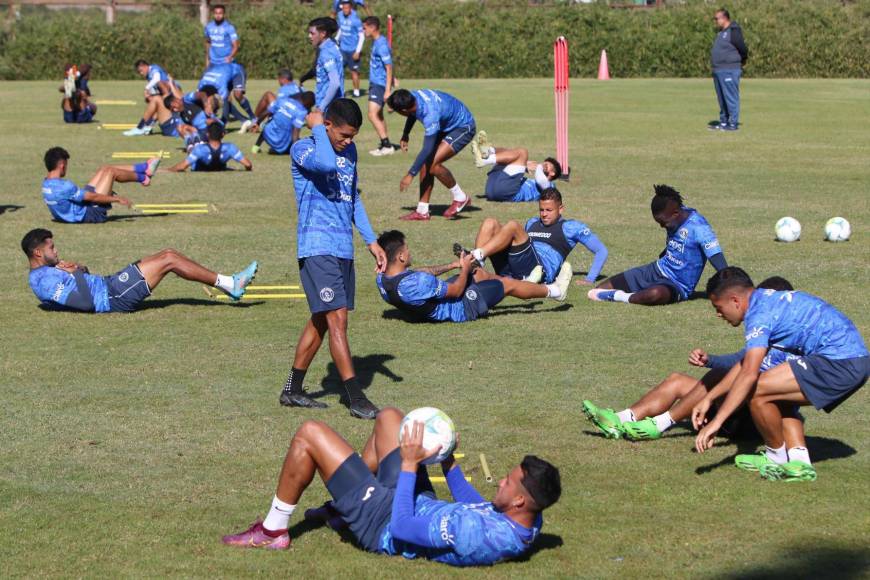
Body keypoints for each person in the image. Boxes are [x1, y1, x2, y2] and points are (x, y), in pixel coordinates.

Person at [222, 407, 561, 567]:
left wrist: (412, 465)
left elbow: (402, 528)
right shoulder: (528, 519)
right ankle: (344, 508)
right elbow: (477, 505)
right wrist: (448, 460)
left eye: (508, 481)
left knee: (310, 433)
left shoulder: (473, 536)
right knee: (390, 419)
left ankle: (272, 531)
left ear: (519, 499)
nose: (500, 481)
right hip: (418, 502)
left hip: (383, 523)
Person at [693, 267, 869, 482]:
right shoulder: (766, 300)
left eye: (718, 307)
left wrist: (716, 422)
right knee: (774, 391)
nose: (718, 314)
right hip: (850, 360)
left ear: (735, 300)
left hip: (840, 363)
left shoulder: (759, 315)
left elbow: (748, 375)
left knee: (756, 389)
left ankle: (775, 458)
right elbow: (747, 364)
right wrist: (709, 398)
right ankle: (799, 462)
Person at [583, 276, 799, 441]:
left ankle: (659, 425)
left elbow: (746, 371)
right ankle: (620, 420)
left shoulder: (793, 340)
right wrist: (710, 360)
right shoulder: (766, 330)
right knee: (677, 380)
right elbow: (740, 362)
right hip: (735, 406)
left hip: (753, 419)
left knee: (718, 376)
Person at [278, 98, 385, 419]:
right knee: (337, 318)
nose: (349, 142)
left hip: (342, 247)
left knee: (322, 321)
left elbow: (352, 197)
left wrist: (371, 240)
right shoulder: (304, 149)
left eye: (353, 136)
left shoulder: (348, 152)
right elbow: (325, 164)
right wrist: (316, 128)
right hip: (316, 245)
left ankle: (291, 390)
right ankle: (355, 397)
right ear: (326, 126)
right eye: (344, 135)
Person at [22, 228, 258, 312]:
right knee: (169, 259)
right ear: (39, 253)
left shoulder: (49, 270)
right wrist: (76, 275)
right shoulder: (43, 282)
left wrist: (79, 269)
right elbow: (84, 304)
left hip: (109, 284)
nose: (57, 250)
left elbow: (84, 275)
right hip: (113, 297)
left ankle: (229, 284)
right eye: (52, 247)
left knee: (169, 253)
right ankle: (231, 284)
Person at [375, 230, 572, 324]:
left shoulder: (383, 279)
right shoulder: (418, 283)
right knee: (507, 284)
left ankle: (526, 286)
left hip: (434, 301)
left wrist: (453, 265)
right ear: (400, 256)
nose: (410, 252)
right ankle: (555, 291)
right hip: (461, 308)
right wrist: (464, 269)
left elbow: (420, 274)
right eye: (407, 250)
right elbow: (457, 291)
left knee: (480, 273)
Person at [587, 184, 726, 305]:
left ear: (676, 213)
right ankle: (619, 293)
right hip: (656, 269)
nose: (661, 226)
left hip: (676, 285)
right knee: (599, 289)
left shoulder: (699, 227)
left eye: (663, 223)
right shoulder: (675, 213)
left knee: (655, 294)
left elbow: (716, 256)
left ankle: (619, 296)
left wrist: (733, 282)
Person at [460, 187, 607, 287]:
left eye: (549, 210)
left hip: (539, 271)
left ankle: (476, 256)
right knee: (490, 222)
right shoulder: (532, 222)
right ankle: (475, 269)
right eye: (541, 210)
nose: (544, 214)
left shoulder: (571, 227)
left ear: (561, 209)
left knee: (512, 226)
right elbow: (520, 245)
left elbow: (601, 251)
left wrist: (589, 279)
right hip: (515, 268)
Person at [387, 89, 476, 220]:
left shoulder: (430, 114)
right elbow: (413, 114)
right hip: (445, 124)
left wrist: (410, 174)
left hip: (463, 126)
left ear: (403, 111)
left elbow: (427, 148)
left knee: (433, 165)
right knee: (425, 163)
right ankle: (422, 211)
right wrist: (406, 134)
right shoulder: (412, 96)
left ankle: (460, 197)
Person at [41, 147, 159, 224]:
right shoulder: (65, 186)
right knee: (111, 172)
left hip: (79, 208)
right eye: (66, 165)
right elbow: (93, 197)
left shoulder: (46, 183)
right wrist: (116, 199)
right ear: (62, 165)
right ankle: (144, 178)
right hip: (93, 213)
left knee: (105, 169)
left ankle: (144, 168)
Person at [470, 131, 562, 202]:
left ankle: (485, 160)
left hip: (508, 193)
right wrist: (524, 165)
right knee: (509, 153)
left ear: (552, 173)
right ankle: (487, 151)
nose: (544, 165)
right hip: (491, 189)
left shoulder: (550, 187)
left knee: (523, 152)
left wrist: (538, 166)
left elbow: (541, 180)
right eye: (544, 163)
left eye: (548, 165)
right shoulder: (532, 180)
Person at [363, 16, 398, 156]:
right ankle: (385, 144)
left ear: (372, 28)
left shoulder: (381, 45)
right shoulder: (378, 42)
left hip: (380, 84)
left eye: (364, 28)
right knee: (379, 115)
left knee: (372, 114)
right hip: (376, 83)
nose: (363, 31)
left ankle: (386, 145)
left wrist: (388, 90)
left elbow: (388, 67)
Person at [709, 8, 748, 131]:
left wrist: (742, 61)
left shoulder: (734, 31)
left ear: (724, 18)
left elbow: (742, 48)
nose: (715, 21)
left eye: (717, 18)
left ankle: (733, 123)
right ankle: (724, 122)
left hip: (729, 69)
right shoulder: (721, 32)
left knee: (730, 97)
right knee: (721, 98)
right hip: (718, 70)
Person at [123, 60, 180, 136]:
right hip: (171, 115)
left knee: (157, 100)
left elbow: (157, 79)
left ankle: (141, 127)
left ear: (145, 66)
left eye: (141, 71)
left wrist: (146, 89)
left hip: (172, 119)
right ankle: (146, 127)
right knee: (156, 101)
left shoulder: (154, 71)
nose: (141, 73)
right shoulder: (152, 77)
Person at [166, 123, 252, 172]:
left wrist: (168, 169)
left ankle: (189, 136)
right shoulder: (230, 148)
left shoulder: (200, 149)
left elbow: (181, 167)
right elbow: (248, 165)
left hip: (198, 156)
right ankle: (193, 134)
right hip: (210, 154)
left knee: (191, 147)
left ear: (207, 135)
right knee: (196, 144)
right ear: (223, 134)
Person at [250, 92, 315, 155]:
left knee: (269, 122)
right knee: (300, 141)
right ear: (308, 104)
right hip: (281, 146)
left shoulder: (283, 100)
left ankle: (255, 147)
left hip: (267, 135)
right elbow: (295, 133)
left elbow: (266, 112)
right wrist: (296, 151)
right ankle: (277, 150)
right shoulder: (301, 112)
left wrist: (257, 123)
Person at [242, 68, 302, 134]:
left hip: (284, 121)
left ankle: (254, 122)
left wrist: (257, 122)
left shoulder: (284, 89)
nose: (279, 82)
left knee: (268, 95)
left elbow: (275, 107)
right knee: (272, 99)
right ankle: (261, 122)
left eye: (279, 80)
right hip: (295, 118)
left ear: (283, 79)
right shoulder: (299, 88)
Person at [304, 17, 344, 112]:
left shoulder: (326, 53)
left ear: (323, 34)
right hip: (336, 103)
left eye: (312, 33)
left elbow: (335, 83)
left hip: (329, 106)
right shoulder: (333, 45)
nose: (309, 36)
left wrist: (322, 107)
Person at [335, 0, 364, 98]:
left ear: (351, 8)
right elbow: (341, 29)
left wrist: (357, 51)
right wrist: (336, 40)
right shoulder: (339, 15)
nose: (345, 10)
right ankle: (339, 91)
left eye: (347, 8)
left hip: (353, 50)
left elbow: (361, 36)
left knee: (354, 72)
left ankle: (356, 92)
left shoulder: (356, 19)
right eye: (343, 8)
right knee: (338, 70)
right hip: (342, 49)